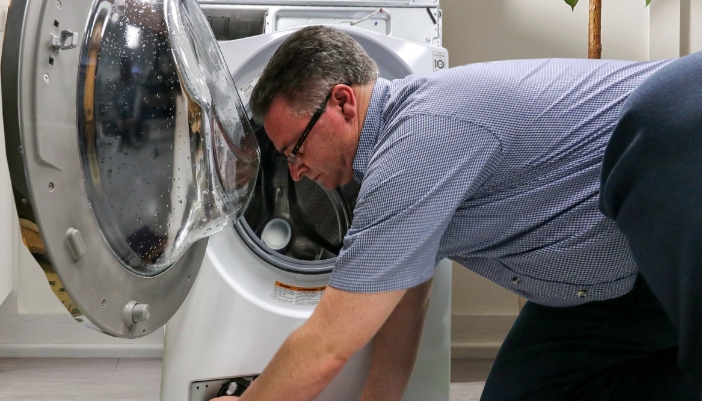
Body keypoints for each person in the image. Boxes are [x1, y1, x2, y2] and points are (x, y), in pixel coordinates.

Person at [212, 25, 702, 401]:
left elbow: (327, 343)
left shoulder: (417, 141)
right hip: (612, 277)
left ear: (343, 102)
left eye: (296, 149)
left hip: (678, 174)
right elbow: (404, 301)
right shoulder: (396, 158)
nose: (296, 173)